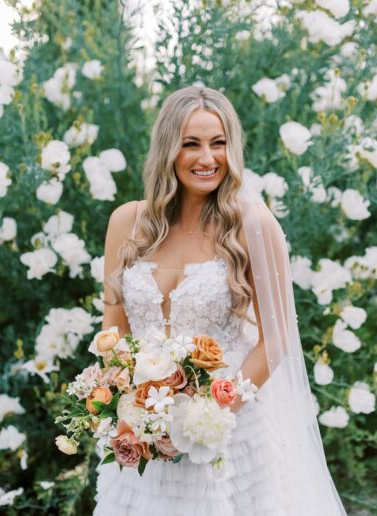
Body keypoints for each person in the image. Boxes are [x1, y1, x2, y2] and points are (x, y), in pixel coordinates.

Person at [93, 86, 347, 515]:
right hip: (141, 429)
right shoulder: (126, 223)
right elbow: (114, 325)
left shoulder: (253, 224)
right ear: (168, 150)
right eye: (190, 144)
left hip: (226, 429)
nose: (207, 158)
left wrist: (203, 417)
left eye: (218, 143)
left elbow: (277, 338)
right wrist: (126, 407)